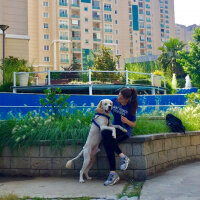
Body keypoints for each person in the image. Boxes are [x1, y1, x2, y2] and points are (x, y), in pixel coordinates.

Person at [96, 87, 138, 186]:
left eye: (121, 97)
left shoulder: (131, 107)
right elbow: (101, 107)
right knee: (106, 136)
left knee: (107, 140)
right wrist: (100, 110)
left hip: (124, 131)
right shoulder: (114, 100)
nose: (118, 98)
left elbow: (133, 124)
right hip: (114, 128)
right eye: (119, 94)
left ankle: (113, 173)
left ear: (127, 99)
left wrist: (127, 121)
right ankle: (122, 157)